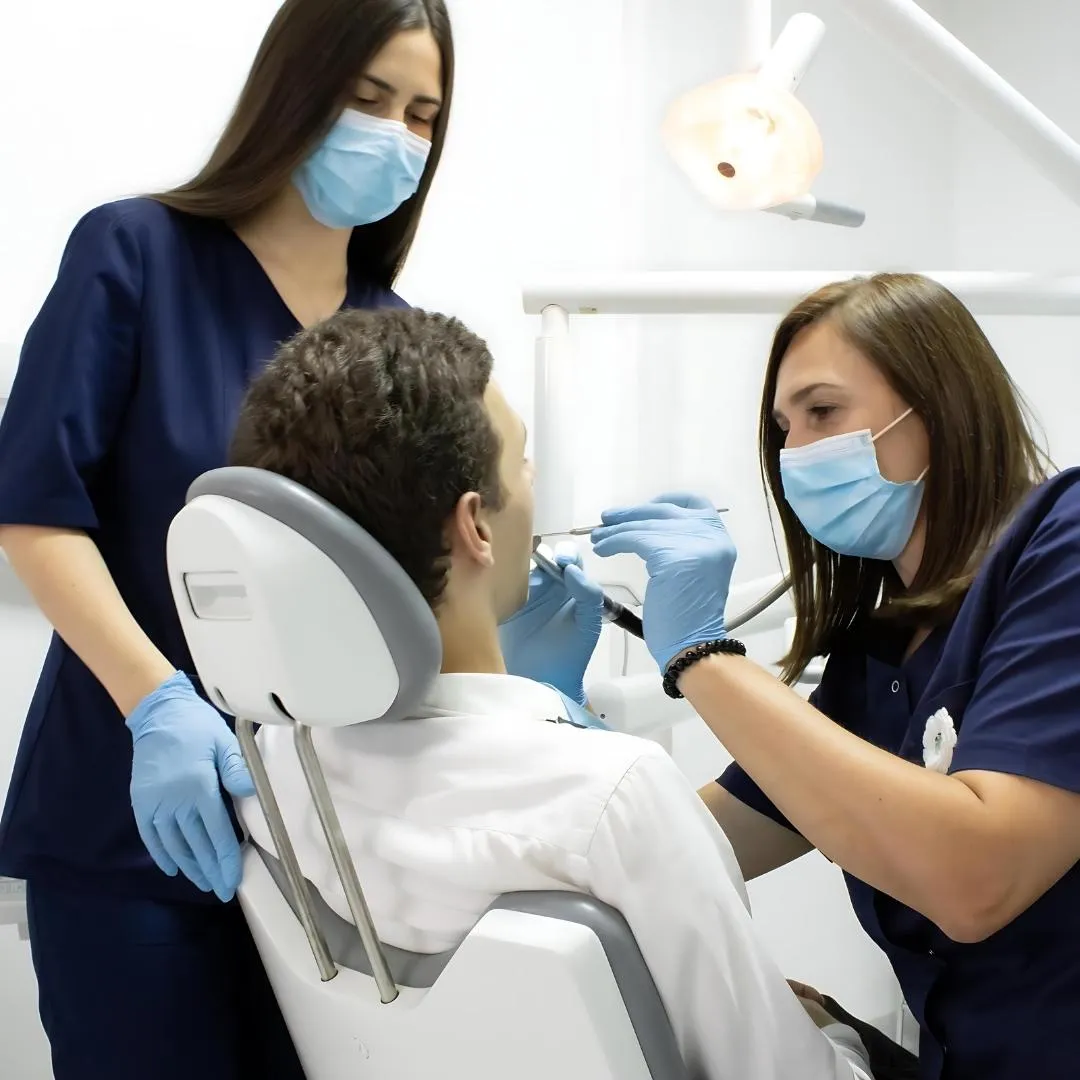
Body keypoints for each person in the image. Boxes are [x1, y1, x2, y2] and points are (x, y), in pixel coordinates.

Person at [227, 305, 874, 1080]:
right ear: (476, 526)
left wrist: (546, 701)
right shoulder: (617, 797)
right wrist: (840, 1036)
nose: (532, 480)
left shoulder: (273, 769)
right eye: (522, 458)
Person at [0, 2, 453, 1076]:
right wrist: (157, 703)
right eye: (369, 98)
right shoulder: (135, 252)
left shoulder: (394, 339)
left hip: (330, 845)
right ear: (296, 88)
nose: (396, 134)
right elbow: (34, 506)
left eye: (423, 115)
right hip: (132, 811)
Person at [587, 273, 1080, 1080]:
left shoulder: (1065, 545)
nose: (796, 456)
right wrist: (546, 714)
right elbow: (688, 844)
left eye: (823, 412)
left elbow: (977, 879)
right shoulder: (877, 655)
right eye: (784, 429)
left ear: (942, 405)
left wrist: (700, 658)